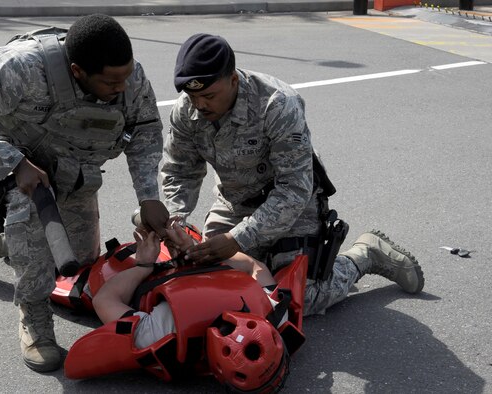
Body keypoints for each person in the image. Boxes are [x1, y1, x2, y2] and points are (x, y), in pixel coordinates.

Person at [0, 14, 169, 372]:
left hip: (74, 170)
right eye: (111, 81)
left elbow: (145, 130)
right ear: (78, 72)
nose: (123, 87)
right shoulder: (23, 67)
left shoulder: (128, 77)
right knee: (33, 230)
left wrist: (148, 196)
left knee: (73, 260)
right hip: (14, 161)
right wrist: (14, 164)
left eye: (126, 76)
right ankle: (34, 319)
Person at [160, 33, 425, 317]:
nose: (199, 105)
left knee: (298, 300)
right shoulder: (186, 110)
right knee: (218, 283)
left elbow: (295, 189)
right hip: (235, 203)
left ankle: (366, 254)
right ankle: (278, 259)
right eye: (193, 96)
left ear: (233, 80)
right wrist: (176, 220)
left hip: (292, 207)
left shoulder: (277, 105)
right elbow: (180, 170)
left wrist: (237, 239)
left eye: (209, 96)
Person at [89, 223, 291, 392]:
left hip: (158, 269)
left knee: (100, 276)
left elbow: (103, 300)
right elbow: (254, 266)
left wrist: (143, 265)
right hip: (192, 262)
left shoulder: (271, 313)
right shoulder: (272, 313)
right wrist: (198, 252)